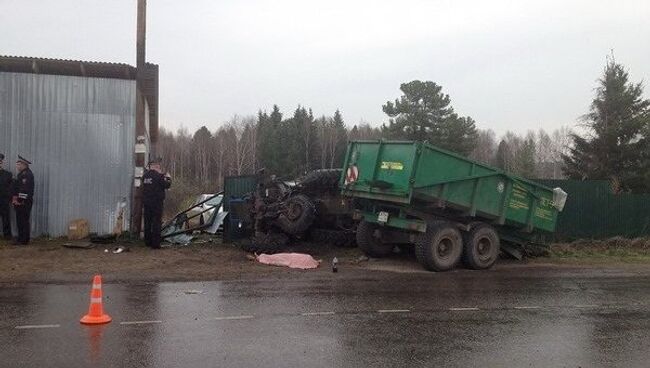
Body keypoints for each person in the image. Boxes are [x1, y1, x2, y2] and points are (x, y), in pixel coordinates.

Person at [142, 158, 171, 249]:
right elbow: (167, 185)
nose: (160, 168)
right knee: (156, 223)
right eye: (159, 167)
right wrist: (169, 178)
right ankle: (155, 244)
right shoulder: (159, 176)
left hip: (147, 203)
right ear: (156, 167)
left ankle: (147, 241)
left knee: (147, 222)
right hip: (157, 203)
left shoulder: (145, 176)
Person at [12, 155, 34, 245]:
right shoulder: (21, 174)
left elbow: (24, 190)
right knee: (20, 220)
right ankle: (21, 238)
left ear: (24, 165)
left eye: (18, 164)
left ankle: (24, 240)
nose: (17, 166)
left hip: (24, 202)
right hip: (21, 201)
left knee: (23, 220)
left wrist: (19, 201)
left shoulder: (27, 175)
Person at [0, 154, 13, 240]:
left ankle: (7, 235)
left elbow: (11, 187)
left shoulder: (8, 174)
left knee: (6, 217)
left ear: (2, 163)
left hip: (4, 200)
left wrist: (9, 197)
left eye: (0, 162)